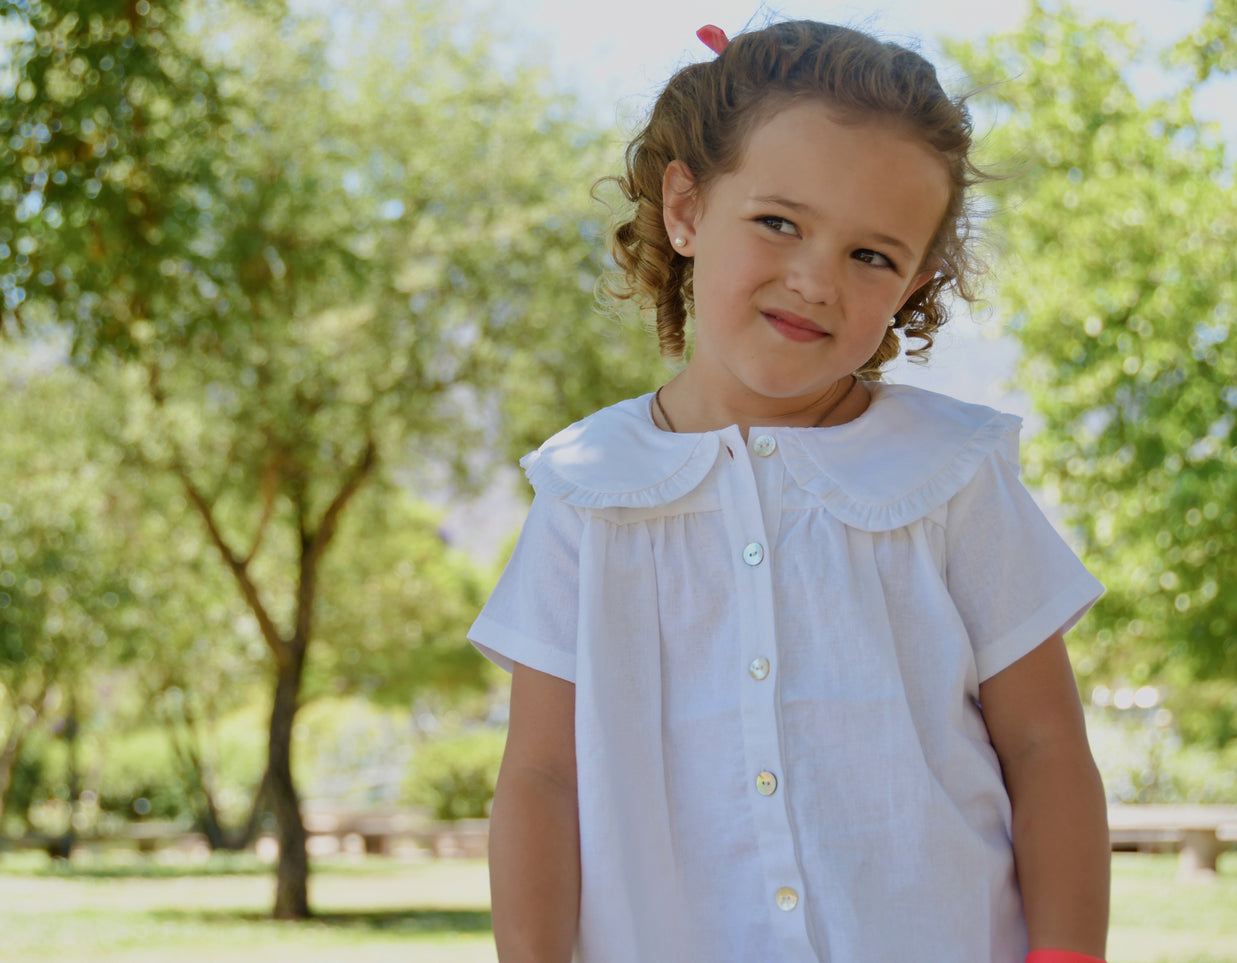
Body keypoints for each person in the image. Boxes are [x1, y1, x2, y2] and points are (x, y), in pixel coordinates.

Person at [467, 18, 1111, 963]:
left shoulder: (953, 473)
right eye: (779, 222)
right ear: (685, 208)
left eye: (871, 255)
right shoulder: (584, 490)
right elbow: (541, 777)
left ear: (913, 281)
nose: (815, 279)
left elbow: (1047, 749)